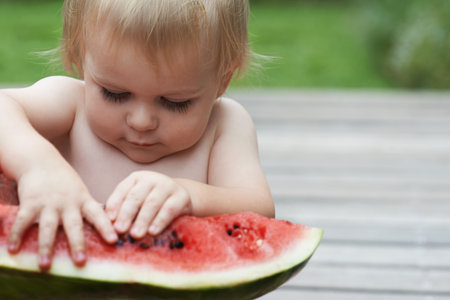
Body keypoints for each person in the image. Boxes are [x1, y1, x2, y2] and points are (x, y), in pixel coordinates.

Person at [0, 0, 274, 270]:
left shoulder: (225, 124)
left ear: (222, 80)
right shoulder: (71, 104)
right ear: (80, 56)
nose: (141, 122)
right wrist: (40, 167)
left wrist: (191, 196)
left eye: (175, 102)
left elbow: (260, 211)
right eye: (114, 94)